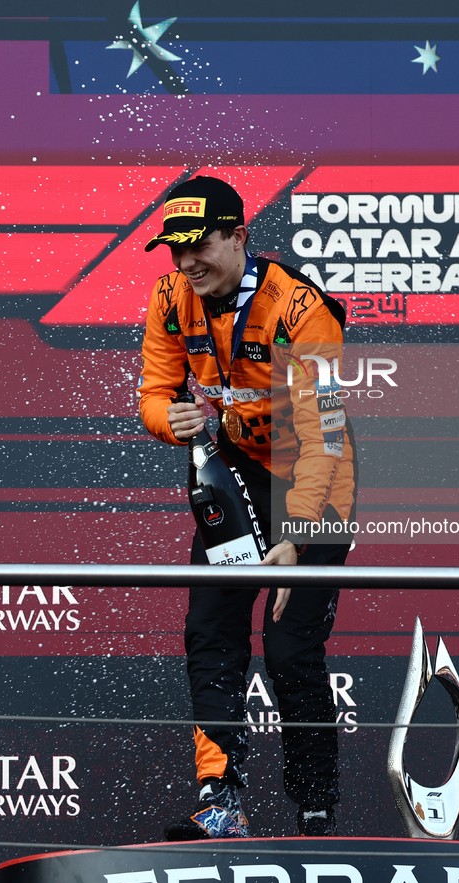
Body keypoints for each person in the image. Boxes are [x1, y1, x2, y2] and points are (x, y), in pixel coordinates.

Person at [137, 175, 357, 840]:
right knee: (212, 629)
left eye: (197, 245)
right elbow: (152, 390)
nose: (183, 262)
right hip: (227, 473)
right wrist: (167, 420)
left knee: (290, 648)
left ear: (238, 236)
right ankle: (219, 800)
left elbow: (320, 434)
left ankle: (314, 810)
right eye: (173, 249)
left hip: (314, 480)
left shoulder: (298, 308)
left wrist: (294, 535)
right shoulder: (171, 297)